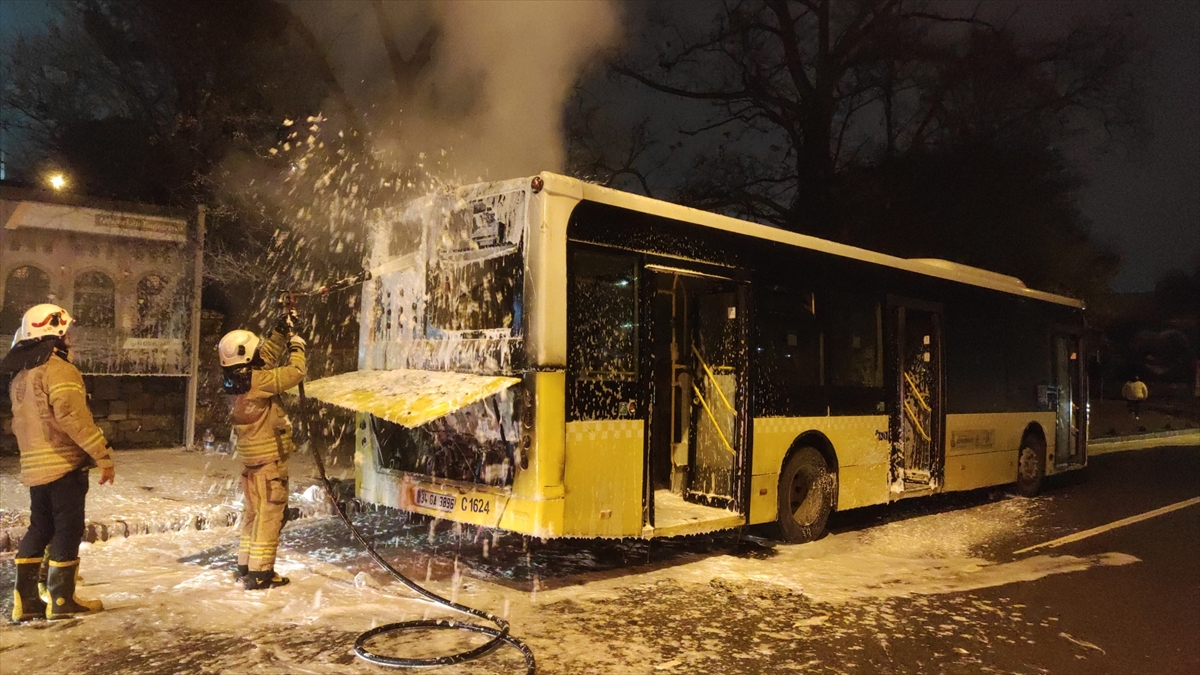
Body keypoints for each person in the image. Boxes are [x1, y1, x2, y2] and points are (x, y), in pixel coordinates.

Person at [1, 304, 115, 621]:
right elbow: (72, 417)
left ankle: (26, 602)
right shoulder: (59, 370)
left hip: (36, 469)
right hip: (63, 465)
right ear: (55, 335)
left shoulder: (21, 377)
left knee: (40, 528)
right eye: (66, 333)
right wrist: (102, 454)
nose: (71, 339)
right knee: (68, 529)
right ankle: (62, 600)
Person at [218, 315, 305, 590]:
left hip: (250, 461)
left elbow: (261, 359)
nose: (258, 354)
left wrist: (279, 331)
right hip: (269, 462)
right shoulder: (260, 382)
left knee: (254, 514)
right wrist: (297, 346)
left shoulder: (236, 381)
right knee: (270, 515)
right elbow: (295, 373)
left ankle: (245, 565)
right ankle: (261, 574)